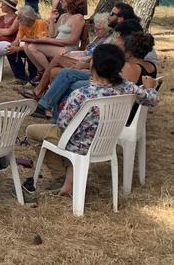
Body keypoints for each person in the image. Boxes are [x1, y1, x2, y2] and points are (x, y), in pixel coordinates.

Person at [20, 44, 158, 200]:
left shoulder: (81, 94)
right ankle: (70, 176)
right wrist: (150, 88)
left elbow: (63, 124)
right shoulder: (128, 88)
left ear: (93, 65)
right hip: (107, 142)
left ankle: (60, 176)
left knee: (32, 131)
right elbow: (152, 100)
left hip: (78, 144)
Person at [30, 20, 154, 120]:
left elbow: (112, 86)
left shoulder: (130, 67)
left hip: (112, 104)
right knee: (66, 73)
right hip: (110, 88)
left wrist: (92, 76)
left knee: (73, 84)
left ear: (129, 50)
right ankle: (44, 106)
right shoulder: (148, 66)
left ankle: (55, 116)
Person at [19, 13, 111, 100]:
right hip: (79, 59)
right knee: (54, 70)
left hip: (85, 64)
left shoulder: (107, 41)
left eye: (99, 29)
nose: (95, 31)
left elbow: (92, 57)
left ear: (107, 29)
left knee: (57, 58)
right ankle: (47, 99)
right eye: (95, 28)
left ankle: (38, 90)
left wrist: (75, 57)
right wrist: (71, 55)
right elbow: (85, 52)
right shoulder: (98, 38)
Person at [23, 0, 86, 84]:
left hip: (68, 48)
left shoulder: (78, 18)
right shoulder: (63, 16)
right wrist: (52, 20)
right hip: (57, 45)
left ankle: (46, 74)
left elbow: (73, 40)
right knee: (26, 46)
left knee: (33, 47)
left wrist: (51, 41)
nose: (60, 2)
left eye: (63, 0)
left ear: (71, 2)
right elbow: (52, 34)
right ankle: (42, 71)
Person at [5, 5, 48, 82]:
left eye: (21, 18)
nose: (18, 20)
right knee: (10, 53)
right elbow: (18, 39)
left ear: (28, 18)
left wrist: (17, 49)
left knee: (30, 52)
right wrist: (11, 46)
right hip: (28, 47)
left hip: (39, 49)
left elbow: (39, 43)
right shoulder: (22, 24)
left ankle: (33, 78)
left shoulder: (40, 23)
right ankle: (21, 78)